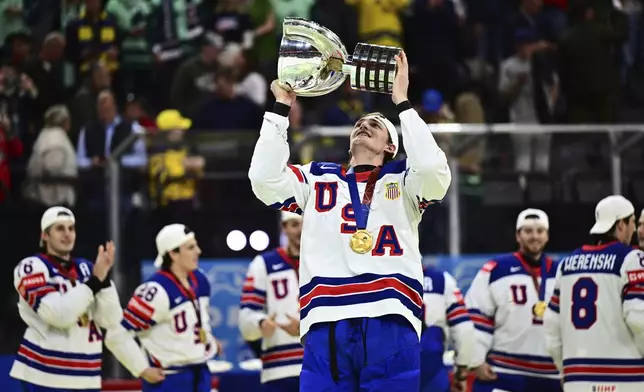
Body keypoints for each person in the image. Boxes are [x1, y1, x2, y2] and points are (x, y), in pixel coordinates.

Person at [248, 51, 452, 391]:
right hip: (325, 320)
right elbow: (263, 180)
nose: (364, 124)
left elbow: (434, 171)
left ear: (391, 147)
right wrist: (280, 108)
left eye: (375, 125)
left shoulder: (404, 179)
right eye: (360, 123)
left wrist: (402, 103)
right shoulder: (316, 177)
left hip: (390, 315)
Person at [10, 206, 163, 391]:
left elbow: (111, 321)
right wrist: (94, 283)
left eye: (71, 228)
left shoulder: (87, 269)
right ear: (45, 235)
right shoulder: (31, 267)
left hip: (86, 378)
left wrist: (104, 280)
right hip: (44, 375)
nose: (67, 234)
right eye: (59, 228)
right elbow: (59, 316)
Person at [544, 196, 644, 392]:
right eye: (633, 222)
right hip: (626, 379)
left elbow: (551, 325)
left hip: (577, 380)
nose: (636, 230)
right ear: (621, 224)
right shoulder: (632, 259)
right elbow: (638, 319)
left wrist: (564, 370)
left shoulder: (567, 264)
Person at [104, 224, 220, 392]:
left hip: (201, 372)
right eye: (190, 247)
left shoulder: (200, 280)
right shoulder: (155, 290)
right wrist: (141, 369)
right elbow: (116, 335)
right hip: (170, 377)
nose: (198, 251)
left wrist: (208, 340)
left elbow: (196, 320)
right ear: (173, 253)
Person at [465, 209, 562, 392]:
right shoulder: (496, 270)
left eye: (540, 231)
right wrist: (476, 360)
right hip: (505, 372)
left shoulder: (561, 272)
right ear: (518, 236)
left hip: (552, 375)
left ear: (547, 236)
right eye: (528, 231)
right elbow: (477, 315)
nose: (534, 236)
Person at [239, 211, 303, 392]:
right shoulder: (263, 264)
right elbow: (246, 316)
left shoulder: (326, 261)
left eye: (306, 224)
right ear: (284, 228)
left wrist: (306, 326)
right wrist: (260, 323)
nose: (301, 230)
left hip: (322, 367)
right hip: (279, 369)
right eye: (294, 224)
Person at [420, 265, 474, 392]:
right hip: (431, 369)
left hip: (387, 368)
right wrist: (461, 371)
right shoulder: (441, 280)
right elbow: (464, 329)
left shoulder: (372, 278)